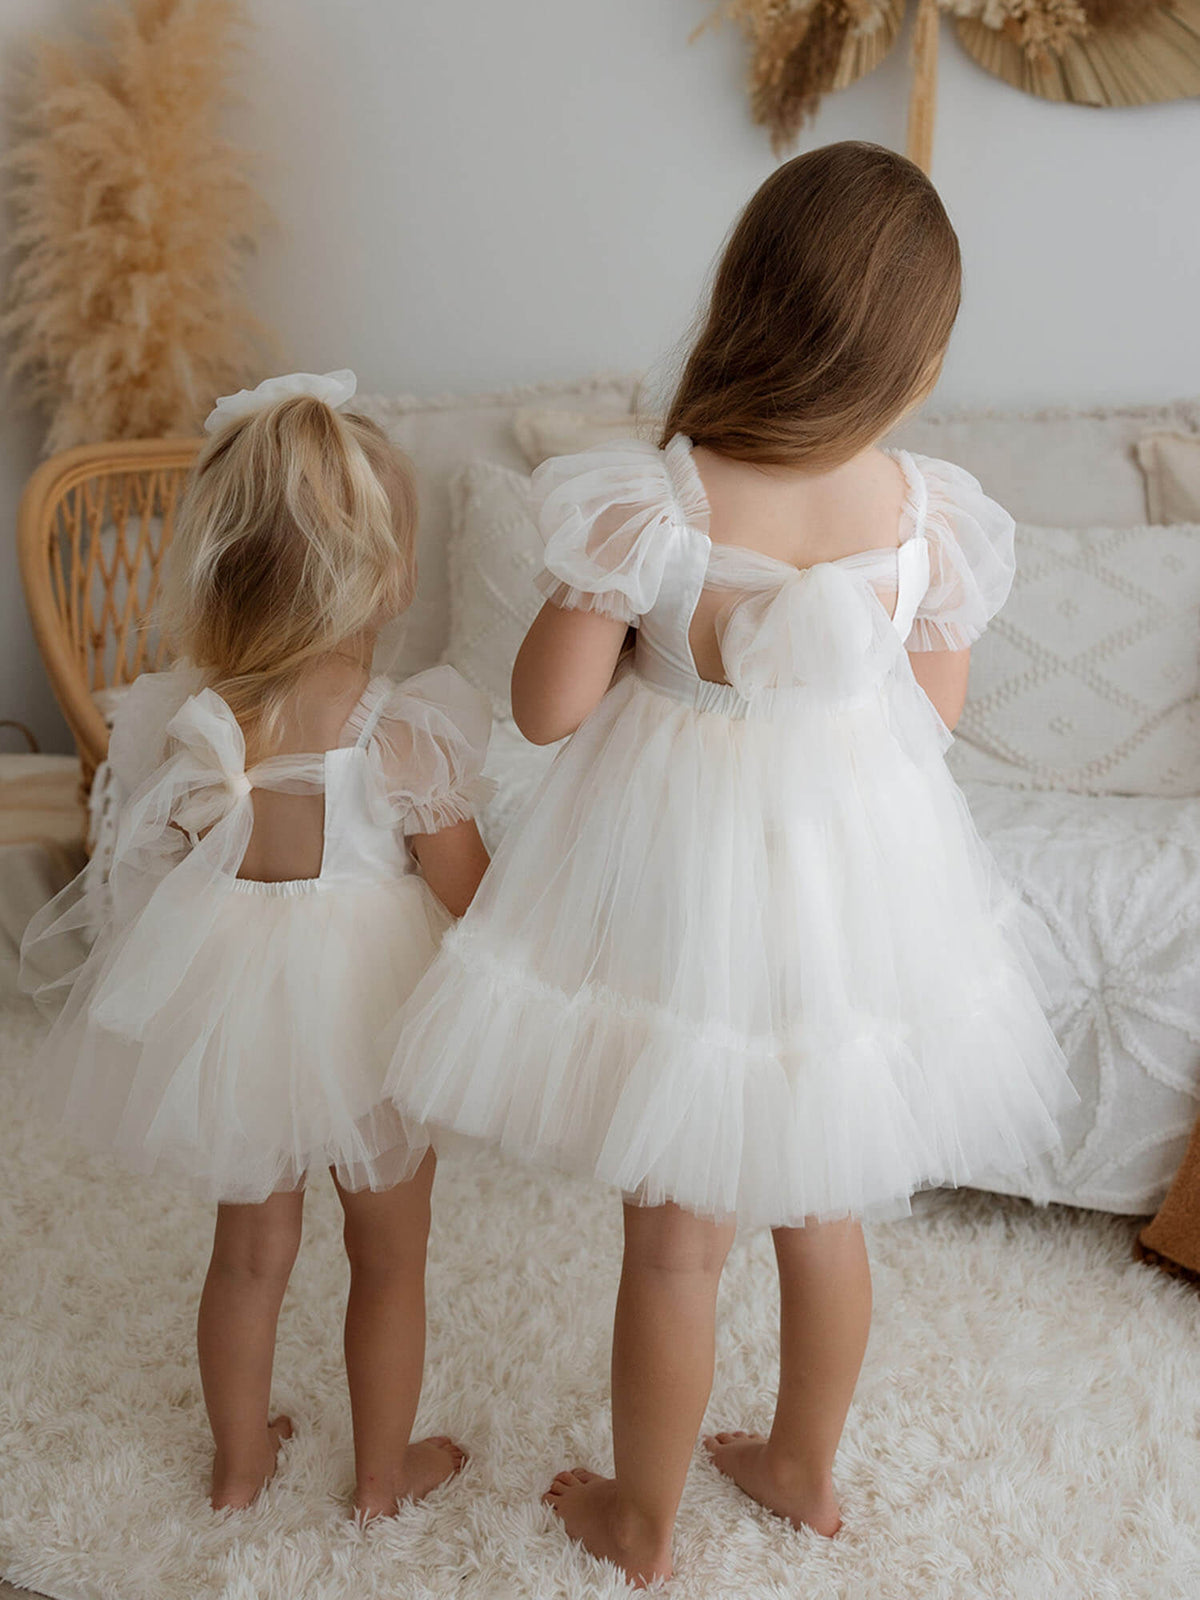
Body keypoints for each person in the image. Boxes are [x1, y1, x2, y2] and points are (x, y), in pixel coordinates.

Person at [386, 145, 1076, 1586]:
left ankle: (640, 1525)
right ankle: (802, 1469)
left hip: (677, 876)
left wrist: (620, 615)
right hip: (848, 881)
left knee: (677, 1243)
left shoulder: (661, 500)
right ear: (915, 350)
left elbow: (544, 712)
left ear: (748, 299)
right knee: (826, 1207)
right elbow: (934, 718)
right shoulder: (917, 510)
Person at [22, 371, 491, 1517]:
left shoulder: (192, 725)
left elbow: (159, 878)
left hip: (241, 1017)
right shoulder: (404, 733)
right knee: (390, 1253)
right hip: (372, 1014)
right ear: (387, 576)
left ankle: (239, 1466)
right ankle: (381, 1481)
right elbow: (474, 896)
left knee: (248, 1251)